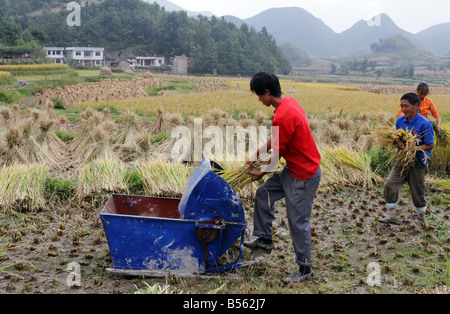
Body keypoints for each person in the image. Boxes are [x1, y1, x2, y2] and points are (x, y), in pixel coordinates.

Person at [243, 72, 322, 284]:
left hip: (304, 175)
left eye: (259, 95)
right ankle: (264, 238)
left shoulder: (283, 114)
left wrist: (262, 172)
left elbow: (278, 152)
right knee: (264, 193)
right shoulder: (288, 104)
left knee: (298, 223)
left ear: (267, 92)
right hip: (293, 169)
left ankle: (305, 268)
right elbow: (277, 140)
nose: (259, 100)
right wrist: (256, 154)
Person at [381, 93, 435, 225]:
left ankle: (421, 218)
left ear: (416, 106)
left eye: (406, 106)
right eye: (401, 106)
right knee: (389, 184)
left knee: (417, 191)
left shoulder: (425, 124)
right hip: (402, 160)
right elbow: (398, 138)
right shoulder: (400, 120)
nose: (403, 109)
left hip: (418, 162)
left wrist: (413, 148)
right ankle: (392, 215)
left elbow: (430, 144)